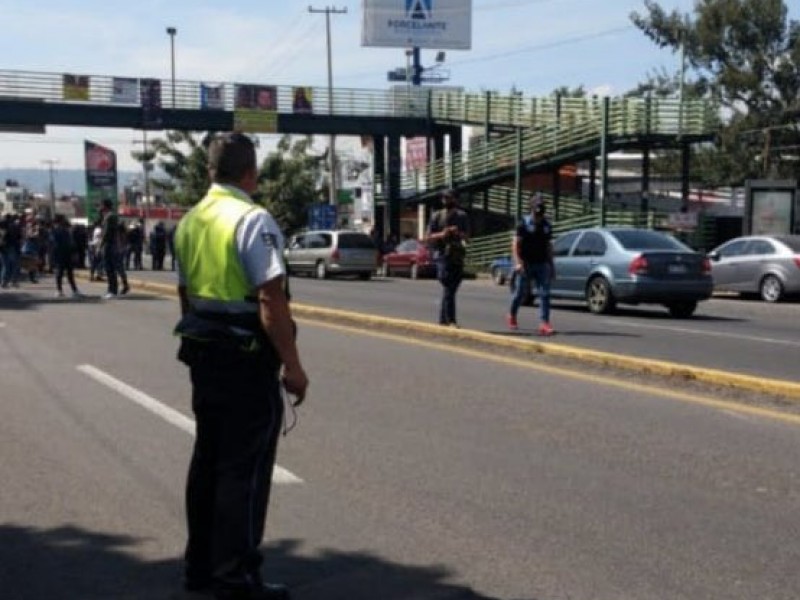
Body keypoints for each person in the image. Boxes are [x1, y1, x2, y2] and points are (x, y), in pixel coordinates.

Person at [173, 132, 309, 600]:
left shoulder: (190, 221)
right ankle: (236, 578)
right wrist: (293, 366)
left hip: (204, 357)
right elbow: (271, 298)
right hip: (246, 362)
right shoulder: (252, 219)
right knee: (244, 472)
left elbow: (186, 295)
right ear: (251, 172)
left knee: (207, 463)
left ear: (210, 172)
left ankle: (200, 569)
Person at [507, 197, 556, 336]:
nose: (539, 215)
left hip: (542, 263)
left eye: (541, 211)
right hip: (525, 263)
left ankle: (544, 323)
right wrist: (517, 262)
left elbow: (548, 246)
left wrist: (552, 266)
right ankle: (512, 315)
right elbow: (516, 244)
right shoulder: (523, 224)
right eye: (536, 211)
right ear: (532, 210)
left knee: (544, 293)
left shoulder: (547, 225)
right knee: (520, 293)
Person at [426, 189, 469, 327]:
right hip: (442, 255)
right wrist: (442, 234)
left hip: (457, 255)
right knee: (447, 284)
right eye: (444, 198)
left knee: (451, 288)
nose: (446, 201)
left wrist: (458, 233)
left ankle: (443, 320)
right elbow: (428, 236)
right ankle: (451, 320)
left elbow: (467, 237)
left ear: (455, 199)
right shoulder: (437, 216)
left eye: (449, 198)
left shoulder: (462, 216)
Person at [50, 214, 82, 298]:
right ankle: (63, 290)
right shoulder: (58, 230)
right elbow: (55, 243)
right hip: (62, 253)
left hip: (63, 253)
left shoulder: (62, 230)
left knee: (65, 273)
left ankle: (68, 290)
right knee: (63, 273)